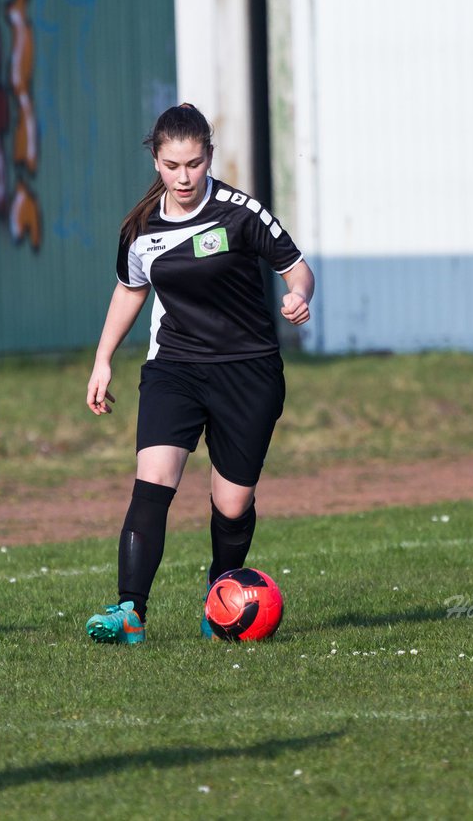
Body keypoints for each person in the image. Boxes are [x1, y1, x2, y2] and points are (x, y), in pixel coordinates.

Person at [84, 103, 315, 645]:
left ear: (208, 156)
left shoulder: (240, 212)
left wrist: (298, 296)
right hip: (175, 368)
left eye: (193, 163)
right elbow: (130, 289)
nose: (183, 177)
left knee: (232, 505)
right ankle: (129, 611)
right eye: (171, 165)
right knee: (153, 481)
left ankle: (223, 603)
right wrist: (102, 359)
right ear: (156, 161)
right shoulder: (141, 228)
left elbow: (296, 267)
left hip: (248, 371)